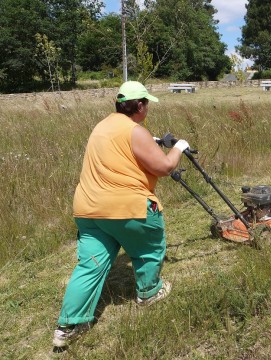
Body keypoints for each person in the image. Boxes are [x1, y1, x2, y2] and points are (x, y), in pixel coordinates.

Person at [52, 81, 189, 348]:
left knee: (89, 265)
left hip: (88, 210)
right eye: (146, 103)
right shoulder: (135, 130)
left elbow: (123, 150)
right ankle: (149, 292)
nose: (147, 108)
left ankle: (67, 326)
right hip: (126, 208)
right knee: (149, 248)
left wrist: (154, 141)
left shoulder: (102, 126)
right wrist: (179, 147)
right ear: (139, 106)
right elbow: (163, 166)